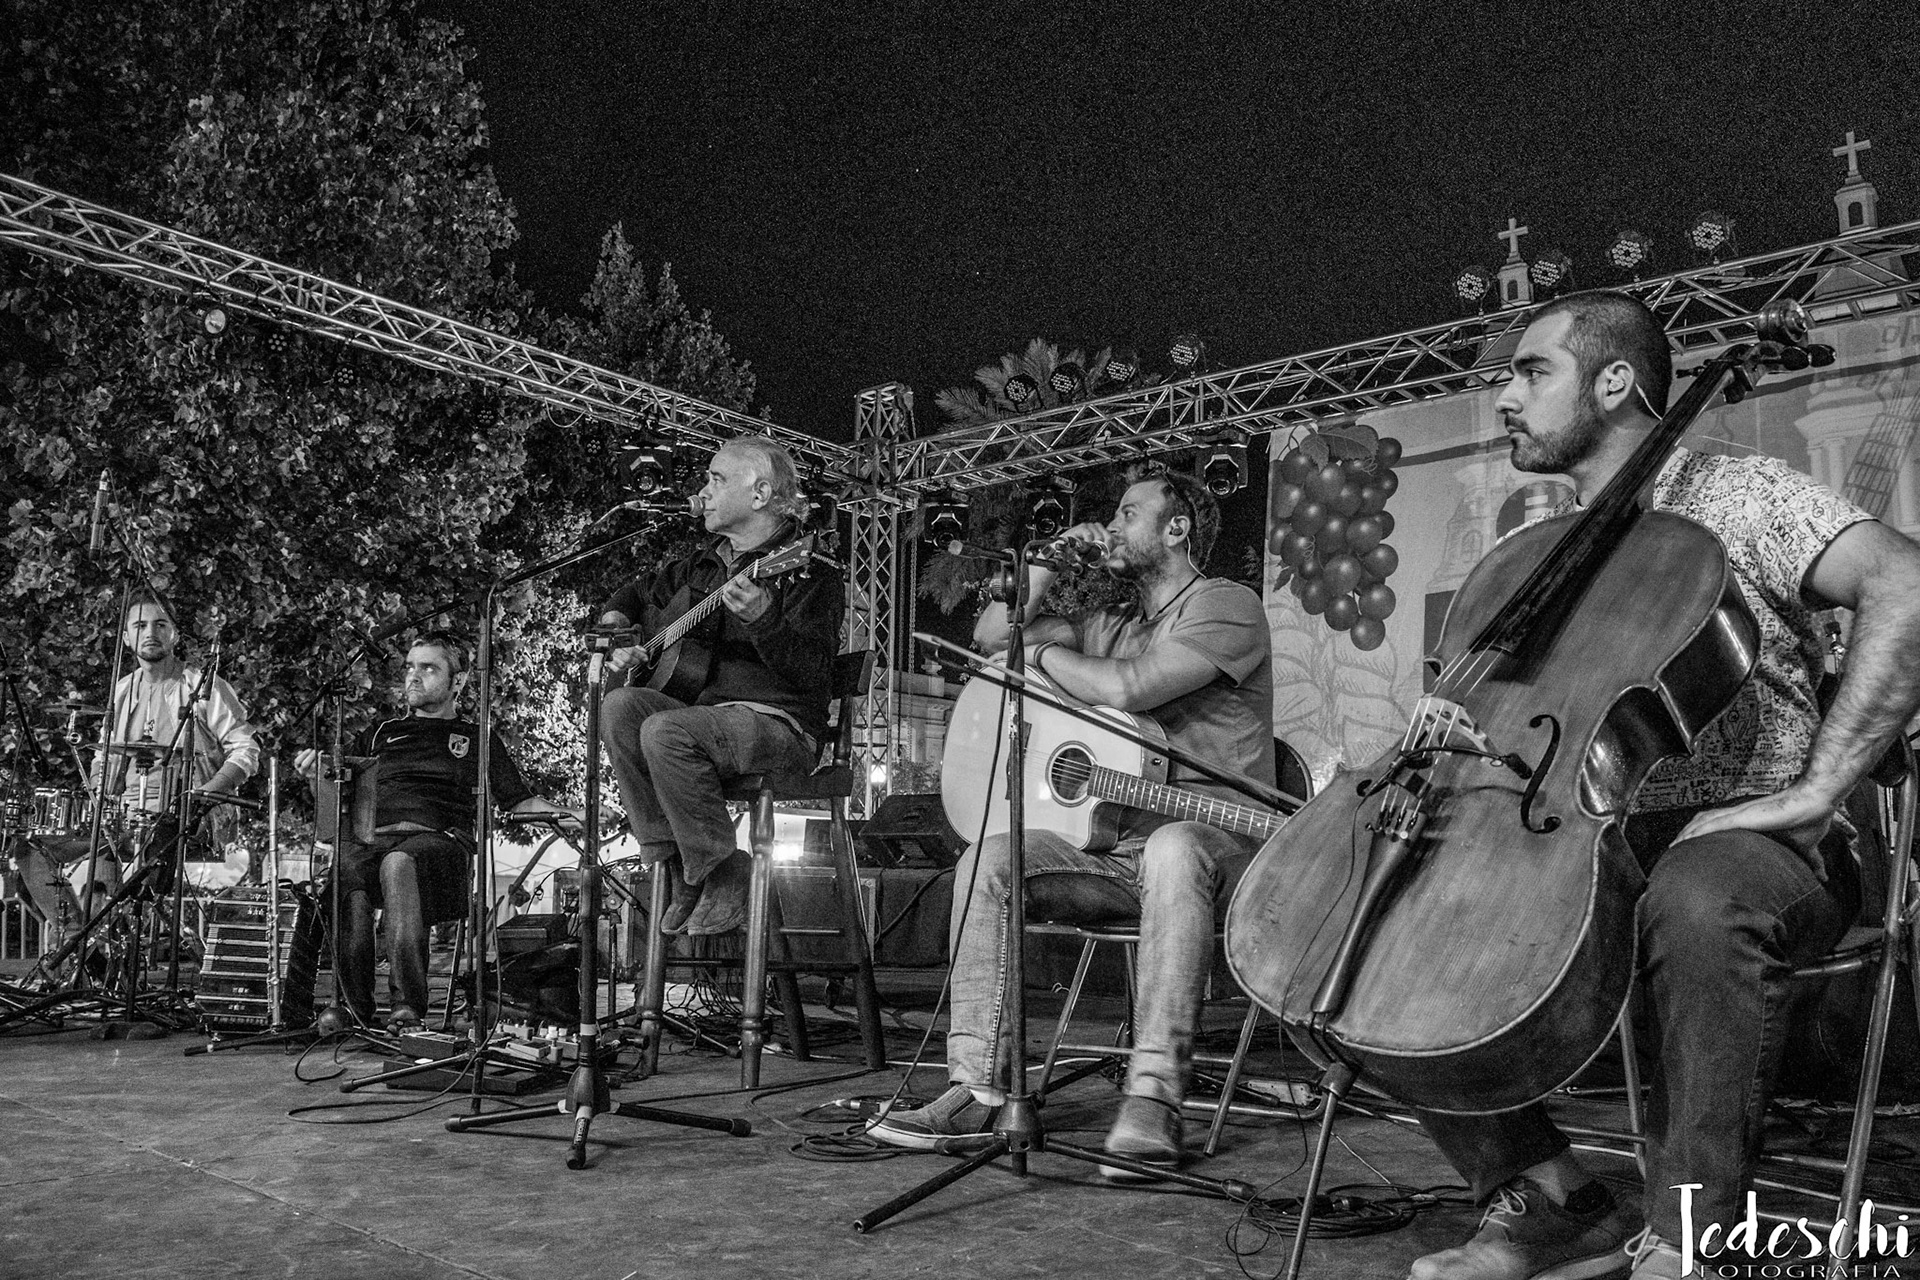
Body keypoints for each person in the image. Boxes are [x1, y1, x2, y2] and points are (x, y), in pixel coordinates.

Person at [1403, 291, 1920, 1280]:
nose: (1505, 396)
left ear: (1614, 382)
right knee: (1392, 918)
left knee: (1697, 899)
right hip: (1592, 834)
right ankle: (1550, 1197)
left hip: (1758, 838)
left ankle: (1690, 1240)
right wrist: (1471, 736)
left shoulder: (1740, 495)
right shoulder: (1548, 552)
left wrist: (1817, 791)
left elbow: (1907, 582)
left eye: (1531, 372)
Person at [868, 467, 1277, 1179]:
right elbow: (993, 635)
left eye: (1128, 513)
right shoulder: (1111, 622)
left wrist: (1042, 656)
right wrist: (1046, 560)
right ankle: (976, 1089)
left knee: (1174, 846)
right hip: (1116, 851)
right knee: (987, 859)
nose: (1111, 526)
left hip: (1222, 846)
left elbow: (1130, 686)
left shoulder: (1226, 604)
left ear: (1177, 528)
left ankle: (1153, 1097)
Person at [597, 435, 842, 937]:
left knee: (665, 730)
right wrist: (618, 628)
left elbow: (815, 673)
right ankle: (677, 861)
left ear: (760, 494)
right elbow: (636, 592)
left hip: (780, 726)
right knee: (619, 707)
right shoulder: (702, 565)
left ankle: (722, 868)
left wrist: (765, 620)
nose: (702, 492)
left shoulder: (809, 571)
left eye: (716, 480)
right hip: (703, 721)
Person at [296, 631, 580, 1031]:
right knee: (348, 870)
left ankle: (407, 1006)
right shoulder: (379, 733)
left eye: (428, 668)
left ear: (457, 681)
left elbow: (519, 802)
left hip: (441, 844)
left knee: (398, 864)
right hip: (375, 840)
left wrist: (574, 814)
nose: (413, 676)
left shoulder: (477, 738)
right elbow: (338, 800)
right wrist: (316, 778)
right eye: (410, 667)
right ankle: (352, 1009)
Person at [80, 595, 258, 902]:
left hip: (184, 817)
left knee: (149, 854)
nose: (150, 633)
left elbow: (246, 751)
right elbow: (103, 756)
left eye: (160, 624)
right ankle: (83, 929)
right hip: (123, 818)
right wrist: (100, 793)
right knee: (32, 849)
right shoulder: (121, 691)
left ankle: (137, 916)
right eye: (140, 625)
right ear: (126, 638)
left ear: (174, 634)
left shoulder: (202, 687)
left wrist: (203, 796)